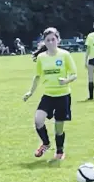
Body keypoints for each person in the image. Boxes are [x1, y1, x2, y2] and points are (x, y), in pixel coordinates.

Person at [23, 27, 77, 160]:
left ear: (58, 40)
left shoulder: (65, 55)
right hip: (48, 96)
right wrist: (30, 92)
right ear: (44, 42)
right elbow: (37, 76)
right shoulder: (41, 58)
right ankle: (45, 143)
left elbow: (74, 74)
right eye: (48, 40)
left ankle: (59, 151)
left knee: (59, 128)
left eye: (53, 39)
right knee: (38, 120)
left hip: (63, 96)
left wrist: (66, 81)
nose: (51, 42)